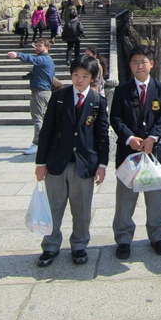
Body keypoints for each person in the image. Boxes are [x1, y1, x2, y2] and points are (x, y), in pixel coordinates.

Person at [34, 56, 109, 267]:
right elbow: (47, 130)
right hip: (57, 161)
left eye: (85, 76)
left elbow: (102, 135)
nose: (79, 79)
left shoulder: (97, 100)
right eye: (76, 75)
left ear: (93, 78)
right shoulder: (59, 96)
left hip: (84, 163)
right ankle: (50, 245)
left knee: (82, 208)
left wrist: (102, 165)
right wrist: (40, 163)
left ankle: (79, 245)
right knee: (54, 206)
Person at [110, 45, 161, 259]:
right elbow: (115, 118)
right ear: (130, 66)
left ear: (151, 64)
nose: (139, 66)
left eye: (143, 62)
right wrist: (130, 138)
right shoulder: (122, 90)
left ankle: (157, 235)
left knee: (155, 198)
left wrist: (152, 138)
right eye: (135, 62)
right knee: (125, 199)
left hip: (152, 152)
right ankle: (123, 238)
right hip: (128, 153)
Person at [7, 38, 55, 155]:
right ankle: (47, 142)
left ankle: (38, 143)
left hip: (40, 92)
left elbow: (32, 59)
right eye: (36, 46)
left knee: (37, 118)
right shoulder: (48, 60)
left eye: (40, 46)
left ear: (47, 48)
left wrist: (18, 54)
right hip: (44, 91)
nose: (37, 48)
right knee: (43, 118)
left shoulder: (43, 58)